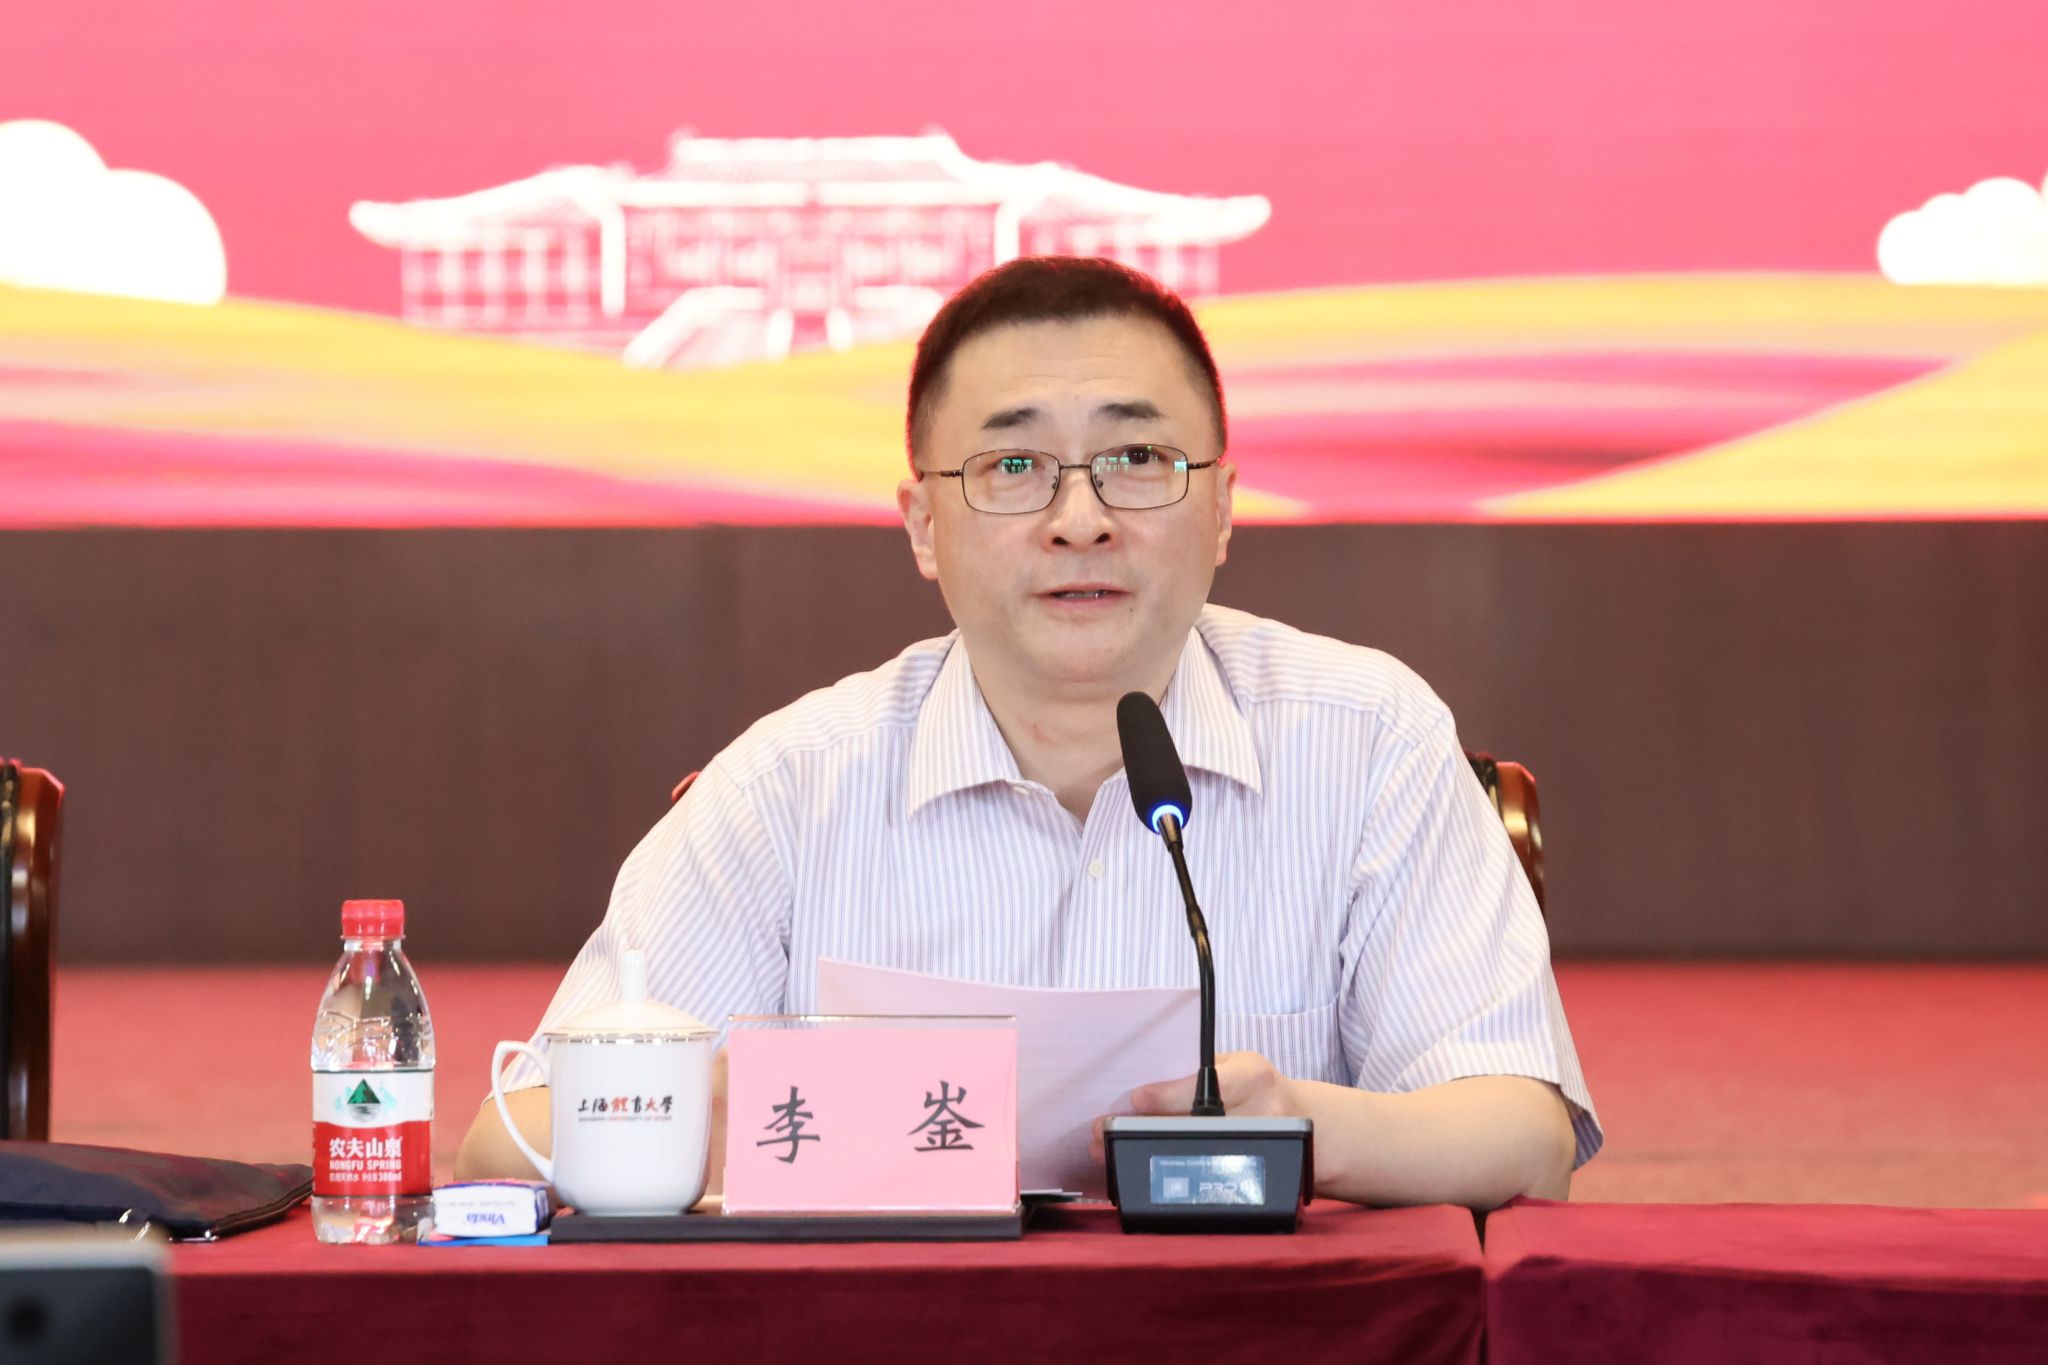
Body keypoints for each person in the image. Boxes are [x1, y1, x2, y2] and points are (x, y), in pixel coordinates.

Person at [459, 256, 1600, 1206]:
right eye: (1013, 466)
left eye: (1137, 460)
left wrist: (1302, 1127)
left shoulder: (1366, 741)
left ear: (1220, 509)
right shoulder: (790, 788)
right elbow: (507, 1145)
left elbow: (1520, 1132)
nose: (1079, 521)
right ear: (923, 524)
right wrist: (716, 1111)